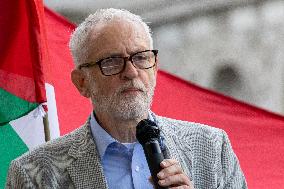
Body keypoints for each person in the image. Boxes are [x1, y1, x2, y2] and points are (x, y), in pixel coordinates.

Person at [6, 8, 247, 189]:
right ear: (82, 82)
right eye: (111, 62)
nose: (131, 72)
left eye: (141, 58)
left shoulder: (212, 147)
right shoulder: (34, 172)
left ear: (154, 68)